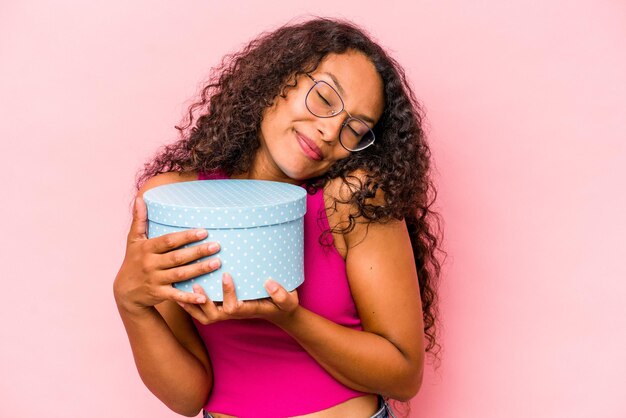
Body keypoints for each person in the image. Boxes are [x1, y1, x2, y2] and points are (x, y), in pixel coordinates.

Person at [113, 17, 442, 418]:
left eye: (355, 129)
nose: (329, 130)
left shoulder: (352, 201)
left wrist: (289, 318)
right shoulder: (174, 201)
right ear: (275, 81)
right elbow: (187, 397)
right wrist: (131, 301)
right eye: (324, 98)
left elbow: (403, 377)